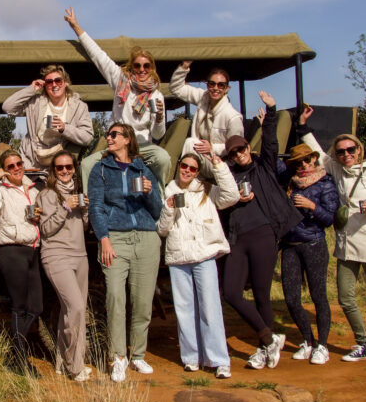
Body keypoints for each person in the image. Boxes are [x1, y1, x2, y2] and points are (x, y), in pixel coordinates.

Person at [295, 107, 366, 368]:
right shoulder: (336, 169)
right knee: (345, 298)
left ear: (359, 150)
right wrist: (303, 126)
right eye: (341, 151)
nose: (346, 155)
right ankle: (362, 344)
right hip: (345, 245)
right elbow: (318, 154)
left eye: (350, 150)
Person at [219, 91, 301, 370]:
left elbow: (271, 144)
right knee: (231, 293)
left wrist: (272, 111)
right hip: (237, 239)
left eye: (241, 149)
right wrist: (235, 199)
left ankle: (264, 348)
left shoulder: (263, 168)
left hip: (263, 235)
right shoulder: (229, 177)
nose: (239, 155)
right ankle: (269, 338)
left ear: (247, 148)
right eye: (233, 153)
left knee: (262, 294)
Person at [64, 6, 172, 189]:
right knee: (87, 165)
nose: (142, 70)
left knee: (163, 159)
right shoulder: (121, 81)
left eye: (146, 66)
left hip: (141, 145)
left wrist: (160, 117)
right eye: (137, 66)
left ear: (151, 68)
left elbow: (157, 135)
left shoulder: (156, 95)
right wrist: (76, 26)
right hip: (116, 143)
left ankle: (158, 196)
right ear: (132, 67)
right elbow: (98, 56)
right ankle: (91, 202)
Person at [87, 122, 163, 382]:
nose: (108, 138)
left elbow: (157, 210)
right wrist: (104, 239)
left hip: (146, 238)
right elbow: (96, 208)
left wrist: (150, 193)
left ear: (127, 139)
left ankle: (138, 355)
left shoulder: (143, 169)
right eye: (108, 135)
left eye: (114, 134)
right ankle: (118, 357)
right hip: (115, 239)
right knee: (115, 299)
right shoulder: (100, 170)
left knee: (142, 302)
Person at [157, 151, 239, 378]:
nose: (187, 171)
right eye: (184, 166)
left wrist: (218, 164)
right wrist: (168, 208)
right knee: (184, 309)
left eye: (193, 168)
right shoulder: (167, 190)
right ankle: (191, 357)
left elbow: (232, 196)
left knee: (210, 308)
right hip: (179, 257)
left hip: (204, 255)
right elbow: (162, 230)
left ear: (197, 172)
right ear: (178, 166)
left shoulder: (207, 190)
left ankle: (219, 359)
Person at [0, 149, 43, 376]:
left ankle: (13, 352)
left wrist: (38, 216)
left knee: (36, 307)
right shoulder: (0, 190)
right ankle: (20, 359)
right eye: (10, 166)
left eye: (19, 164)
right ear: (4, 170)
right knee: (20, 306)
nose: (16, 168)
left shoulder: (33, 189)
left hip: (32, 249)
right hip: (11, 249)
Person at [276, 142, 339, 365]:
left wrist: (312, 206)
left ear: (314, 159)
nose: (303, 165)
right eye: (297, 162)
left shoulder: (325, 183)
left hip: (314, 244)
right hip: (290, 245)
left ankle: (323, 345)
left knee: (318, 295)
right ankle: (308, 340)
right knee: (291, 298)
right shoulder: (289, 183)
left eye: (306, 160)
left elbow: (330, 219)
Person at [38, 152, 91, 382]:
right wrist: (65, 207)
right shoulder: (46, 195)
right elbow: (46, 229)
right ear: (53, 171)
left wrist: (85, 209)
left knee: (70, 311)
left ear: (74, 168)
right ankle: (75, 366)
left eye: (69, 167)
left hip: (80, 255)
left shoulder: (77, 193)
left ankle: (62, 362)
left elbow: (84, 226)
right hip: (56, 255)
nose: (65, 171)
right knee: (76, 308)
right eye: (60, 168)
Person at [1, 64, 94, 170]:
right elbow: (8, 107)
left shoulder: (79, 106)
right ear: (45, 86)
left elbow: (87, 137)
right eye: (49, 82)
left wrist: (65, 128)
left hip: (59, 164)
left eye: (58, 80)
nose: (54, 85)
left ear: (65, 83)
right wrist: (31, 89)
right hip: (30, 160)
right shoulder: (35, 102)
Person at [170, 60, 244, 176]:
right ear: (207, 85)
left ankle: (183, 182)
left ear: (227, 88)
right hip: (203, 157)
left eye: (221, 85)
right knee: (191, 144)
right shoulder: (203, 97)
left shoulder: (232, 116)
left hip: (223, 164)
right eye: (212, 84)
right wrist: (184, 67)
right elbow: (176, 89)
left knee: (190, 143)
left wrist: (212, 148)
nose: (215, 88)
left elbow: (238, 147)